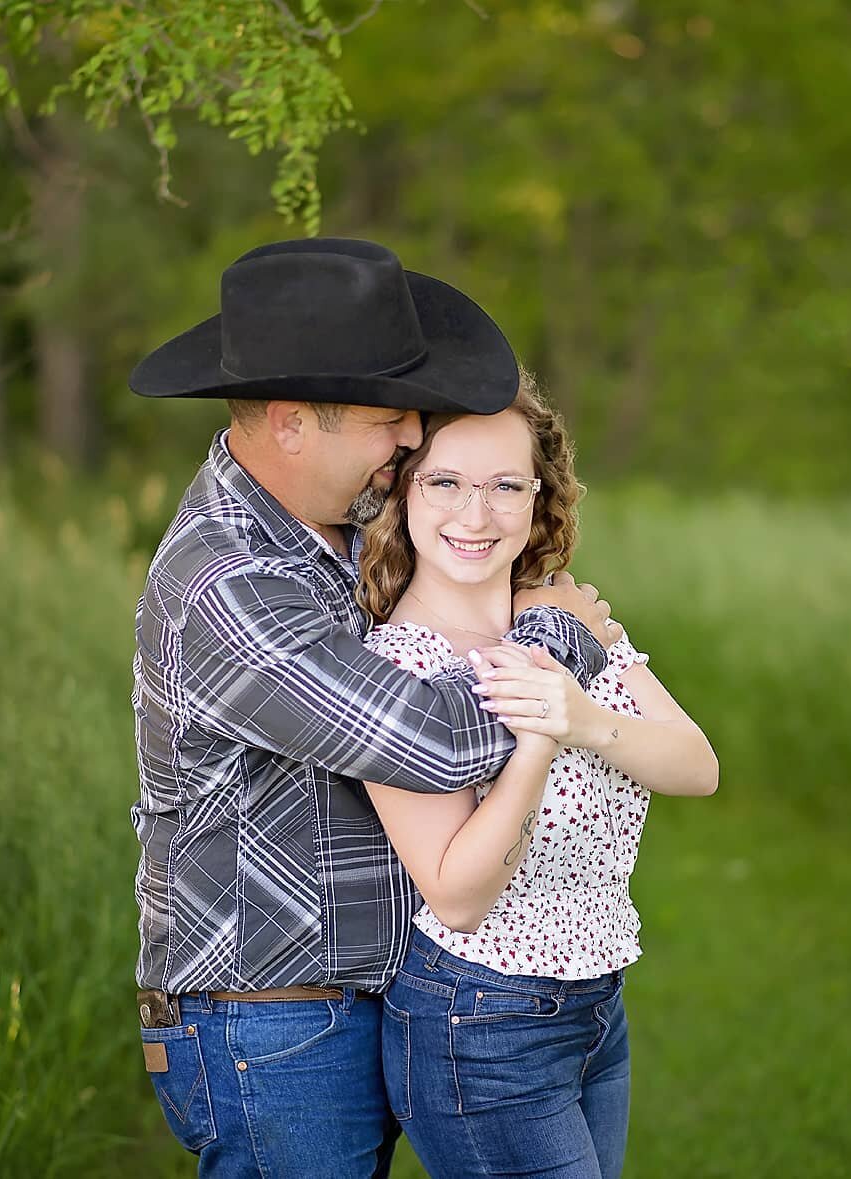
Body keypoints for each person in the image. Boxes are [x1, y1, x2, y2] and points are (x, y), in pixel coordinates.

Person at [127, 237, 620, 1178]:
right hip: (268, 1018)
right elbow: (433, 743)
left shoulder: (345, 527)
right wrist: (558, 640)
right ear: (290, 422)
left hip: (372, 995)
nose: (410, 440)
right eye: (390, 420)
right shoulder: (229, 583)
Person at [358, 374, 719, 1179]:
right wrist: (538, 741)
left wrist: (581, 713)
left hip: (596, 1006)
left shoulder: (560, 617)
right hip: (480, 1022)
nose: (474, 515)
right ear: (402, 491)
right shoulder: (397, 670)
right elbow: (456, 893)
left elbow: (696, 765)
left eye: (504, 486)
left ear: (538, 497)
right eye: (445, 483)